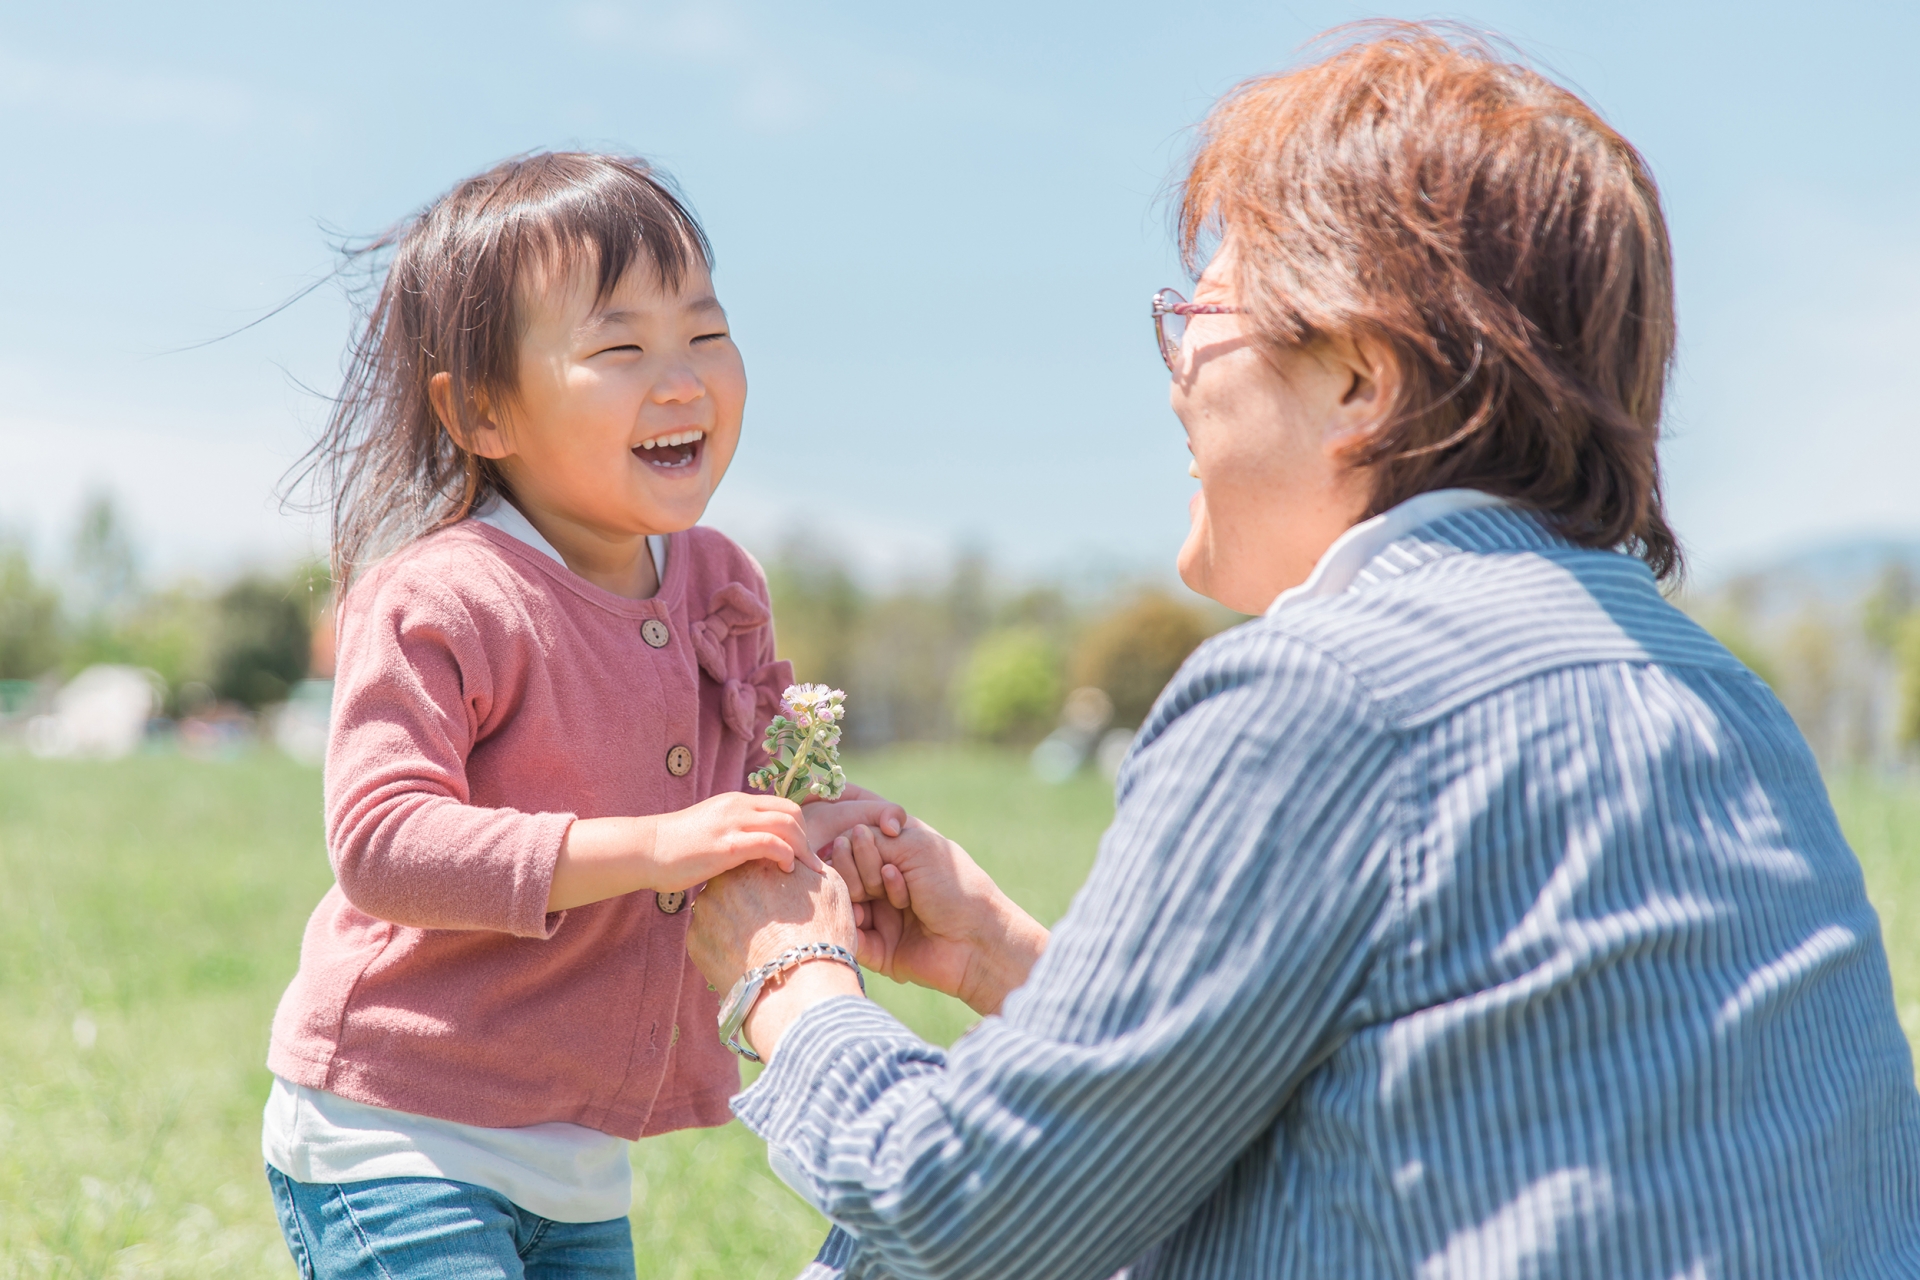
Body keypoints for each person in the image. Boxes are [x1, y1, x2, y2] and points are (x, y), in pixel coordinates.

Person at [686, 26, 1920, 1279]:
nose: (1175, 380)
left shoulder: (1331, 689)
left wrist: (789, 977)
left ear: (1359, 377)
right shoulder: (1728, 700)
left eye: (1197, 319)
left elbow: (970, 1213)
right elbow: (1466, 1106)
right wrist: (1023, 967)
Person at [260, 152, 898, 1279]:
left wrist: (832, 828)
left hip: (578, 1152)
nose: (682, 379)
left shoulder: (718, 582)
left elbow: (751, 794)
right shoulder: (443, 592)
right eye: (620, 348)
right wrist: (655, 842)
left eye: (706, 333)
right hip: (398, 1123)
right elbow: (381, 842)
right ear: (484, 409)